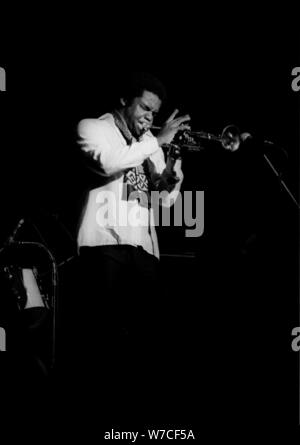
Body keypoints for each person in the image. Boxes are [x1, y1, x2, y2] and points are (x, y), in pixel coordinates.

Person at [75, 73, 190, 396]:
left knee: (148, 343)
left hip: (144, 250)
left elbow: (165, 201)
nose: (149, 118)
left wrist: (173, 166)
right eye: (144, 108)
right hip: (104, 245)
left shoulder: (147, 145)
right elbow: (108, 163)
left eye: (154, 113)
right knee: (105, 339)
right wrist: (157, 142)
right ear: (125, 101)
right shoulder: (93, 128)